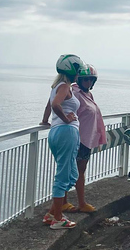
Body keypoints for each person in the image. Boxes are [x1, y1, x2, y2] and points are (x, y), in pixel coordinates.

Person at [43, 54, 85, 229]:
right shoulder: (64, 87)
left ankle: (51, 214)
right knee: (63, 175)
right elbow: (55, 105)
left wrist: (46, 121)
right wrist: (67, 120)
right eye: (77, 70)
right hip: (66, 132)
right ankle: (58, 219)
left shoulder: (56, 86)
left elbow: (49, 106)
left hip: (56, 132)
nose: (79, 74)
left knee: (72, 174)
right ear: (71, 70)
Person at [65, 64, 107, 213]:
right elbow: (66, 109)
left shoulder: (88, 95)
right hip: (77, 138)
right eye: (86, 79)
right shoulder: (75, 93)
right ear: (80, 79)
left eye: (91, 80)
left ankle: (78, 202)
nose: (88, 82)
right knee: (71, 170)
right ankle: (74, 203)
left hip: (86, 139)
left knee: (79, 170)